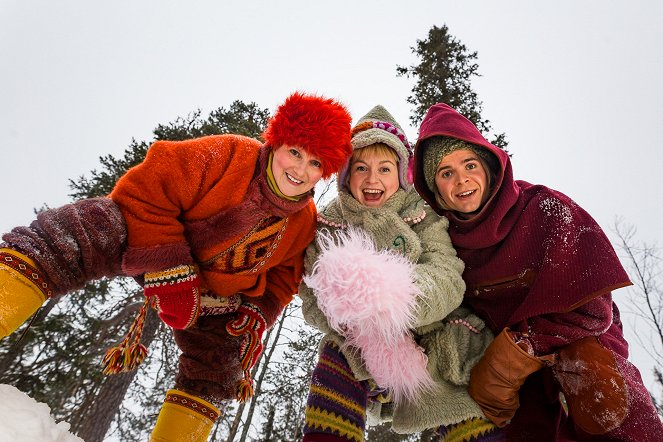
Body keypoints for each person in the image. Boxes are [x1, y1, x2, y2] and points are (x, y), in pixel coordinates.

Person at [0, 92, 353, 442]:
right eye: (295, 152)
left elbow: (284, 277)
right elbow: (152, 180)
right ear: (277, 142)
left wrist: (259, 313)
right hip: (146, 234)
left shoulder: (304, 221)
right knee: (77, 232)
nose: (300, 170)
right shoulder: (230, 154)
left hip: (216, 294)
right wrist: (170, 273)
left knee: (218, 364)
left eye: (315, 163)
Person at [411, 102, 663, 441]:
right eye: (446, 173)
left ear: (488, 167)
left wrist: (518, 348)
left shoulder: (545, 210)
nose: (461, 180)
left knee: (600, 393)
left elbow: (592, 312)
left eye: (469, 164)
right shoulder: (442, 245)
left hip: (579, 346)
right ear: (434, 189)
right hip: (508, 377)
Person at [299, 105, 499, 442]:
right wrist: (363, 321)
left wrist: (395, 300)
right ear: (347, 175)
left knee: (461, 386)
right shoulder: (330, 223)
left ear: (401, 174)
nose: (372, 179)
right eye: (361, 168)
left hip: (435, 330)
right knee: (336, 354)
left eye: (384, 169)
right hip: (362, 341)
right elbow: (312, 292)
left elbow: (446, 273)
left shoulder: (422, 214)